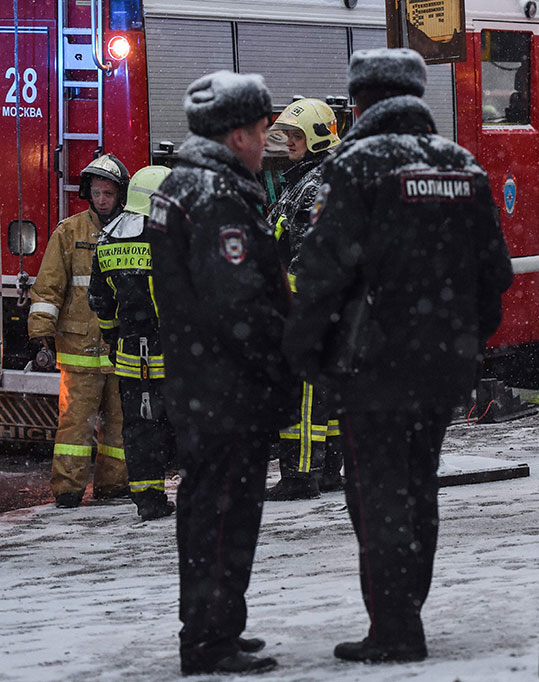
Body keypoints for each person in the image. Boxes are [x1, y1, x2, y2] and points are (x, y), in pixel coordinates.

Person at [283, 48, 513, 664]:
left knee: (375, 491)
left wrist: (307, 352)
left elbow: (321, 273)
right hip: (443, 365)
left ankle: (395, 625)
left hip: (373, 367)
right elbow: (495, 276)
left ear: (359, 102)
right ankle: (406, 605)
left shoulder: (355, 168)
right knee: (418, 484)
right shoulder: (463, 167)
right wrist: (462, 338)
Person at [148, 70, 295, 676]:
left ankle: (216, 626)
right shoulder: (216, 198)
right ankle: (209, 641)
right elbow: (238, 305)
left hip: (202, 381)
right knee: (223, 514)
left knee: (212, 510)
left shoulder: (185, 186)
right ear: (237, 135)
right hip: (228, 388)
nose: (266, 142)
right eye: (262, 130)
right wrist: (278, 367)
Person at [29, 155, 130, 509]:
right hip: (79, 348)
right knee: (75, 426)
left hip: (119, 349)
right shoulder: (69, 232)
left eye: (108, 193)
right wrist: (40, 330)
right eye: (97, 193)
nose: (102, 199)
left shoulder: (132, 231)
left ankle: (113, 486)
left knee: (118, 425)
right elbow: (48, 287)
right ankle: (68, 490)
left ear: (121, 195)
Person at [88, 165, 177, 522]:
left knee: (141, 427)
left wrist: (113, 334)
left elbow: (100, 300)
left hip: (130, 356)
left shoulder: (107, 239)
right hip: (173, 355)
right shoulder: (166, 239)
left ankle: (148, 499)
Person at [265, 98, 344, 500]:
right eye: (287, 135)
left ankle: (299, 476)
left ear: (315, 137)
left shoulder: (318, 184)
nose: (289, 143)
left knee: (305, 393)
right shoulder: (306, 180)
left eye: (296, 136)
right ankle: (328, 470)